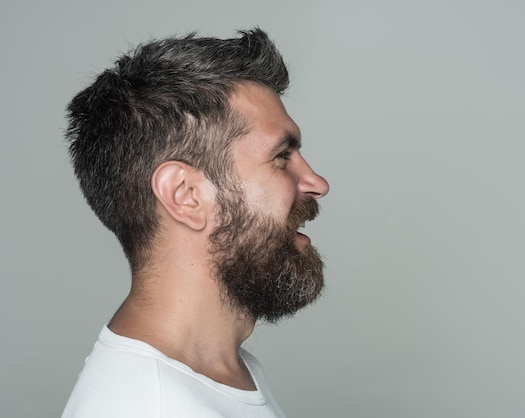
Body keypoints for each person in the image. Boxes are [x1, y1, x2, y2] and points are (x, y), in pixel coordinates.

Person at [61, 28, 329, 418]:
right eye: (281, 156)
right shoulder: (147, 407)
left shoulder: (224, 372)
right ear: (185, 195)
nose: (317, 184)